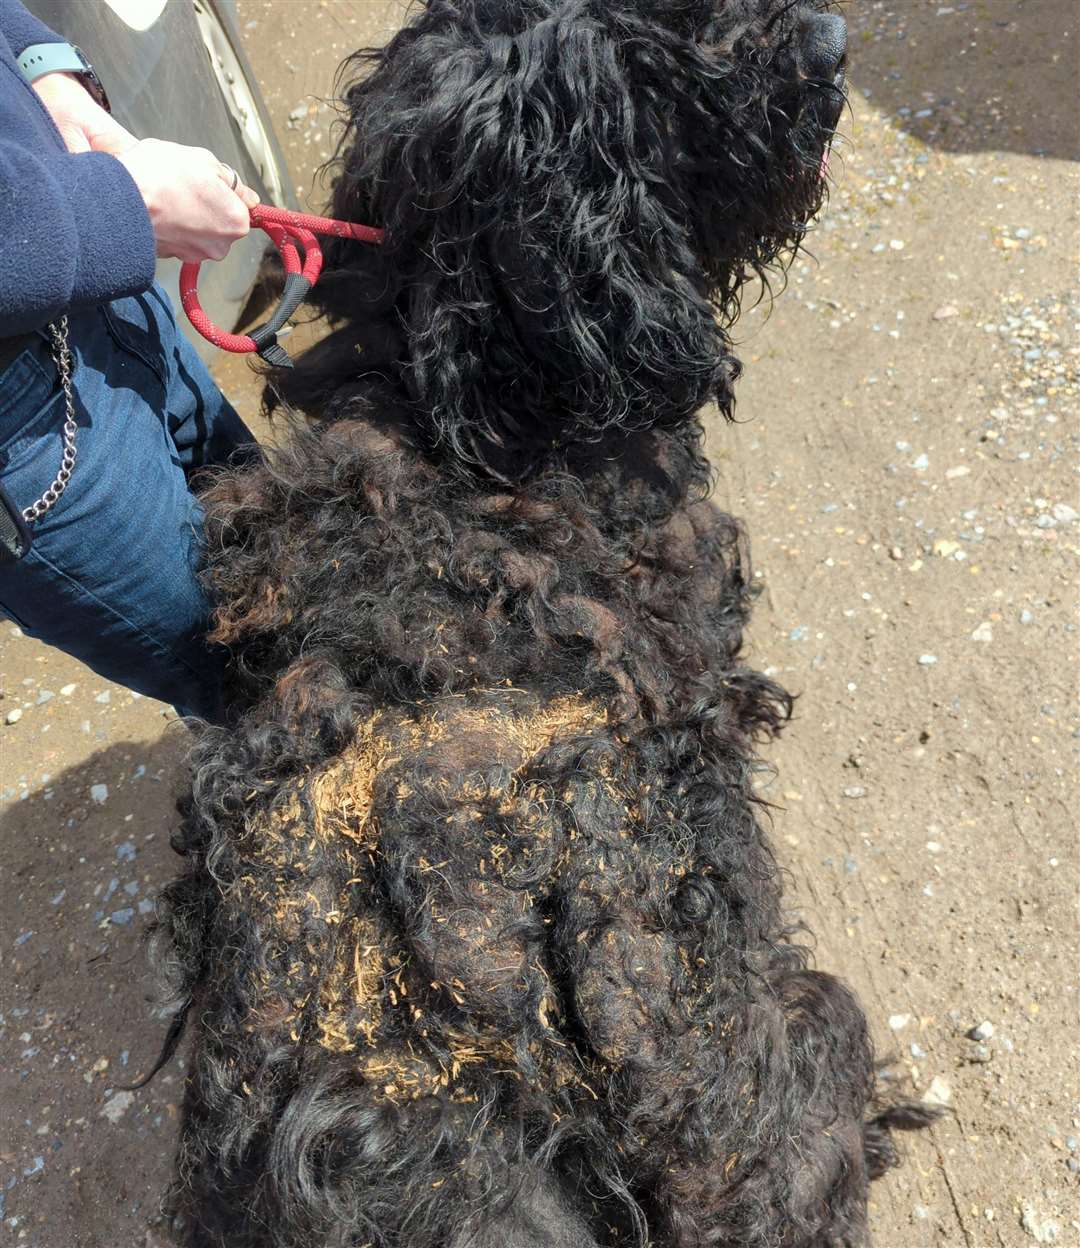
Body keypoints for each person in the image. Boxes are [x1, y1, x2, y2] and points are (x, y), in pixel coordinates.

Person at [0, 0, 259, 721]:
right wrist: (129, 205)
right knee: (262, 679)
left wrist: (37, 64)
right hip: (23, 443)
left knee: (282, 547)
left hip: (97, 288)